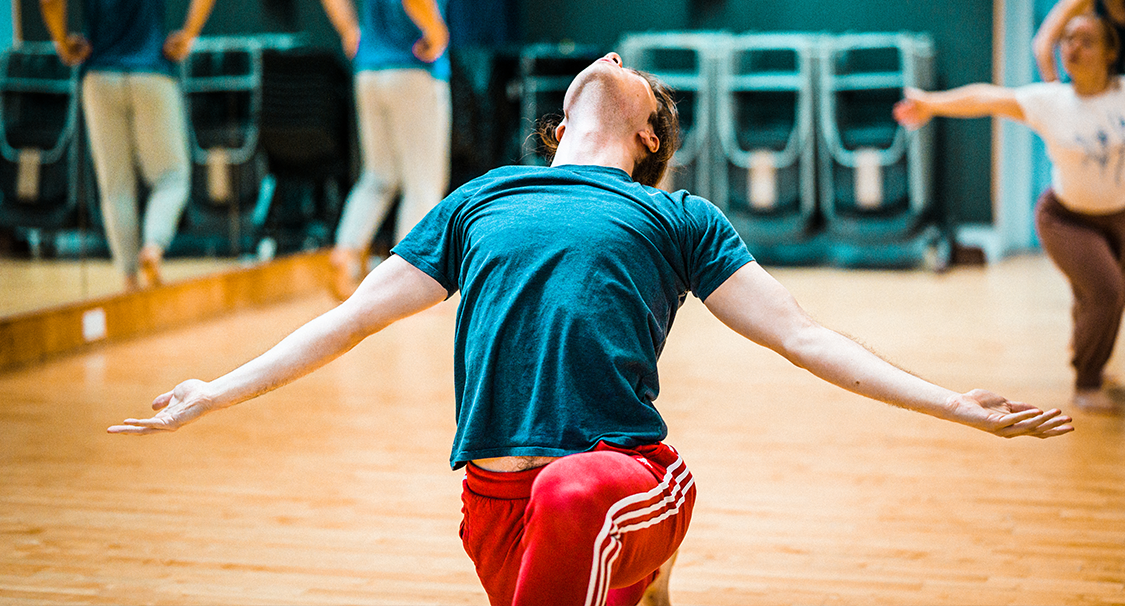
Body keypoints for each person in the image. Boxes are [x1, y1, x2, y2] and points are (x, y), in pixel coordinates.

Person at [109, 52, 1074, 606]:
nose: (612, 59)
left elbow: (803, 336)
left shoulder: (679, 218)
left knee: (579, 495)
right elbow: (350, 320)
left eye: (636, 72)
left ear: (652, 132)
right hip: (492, 504)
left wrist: (957, 403)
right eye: (606, 60)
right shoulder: (479, 199)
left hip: (626, 475)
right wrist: (213, 391)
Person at [895, 14, 1125, 414]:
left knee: (1111, 296)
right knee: (1106, 290)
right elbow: (986, 98)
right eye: (1066, 39)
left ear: (1112, 52)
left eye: (1086, 40)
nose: (1072, 48)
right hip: (1067, 219)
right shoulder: (1052, 101)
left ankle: (1089, 346)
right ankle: (1087, 381)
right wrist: (930, 104)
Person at [39, 0, 216, 289]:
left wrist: (61, 41)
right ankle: (153, 247)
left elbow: (49, 2)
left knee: (115, 187)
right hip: (152, 71)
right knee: (172, 179)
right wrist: (188, 34)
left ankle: (129, 279)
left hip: (99, 76)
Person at [318, 0, 452, 300]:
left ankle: (347, 250)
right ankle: (409, 283)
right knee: (423, 184)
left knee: (379, 176)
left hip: (370, 70)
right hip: (414, 68)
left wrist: (348, 29)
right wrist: (436, 30)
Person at [1033, 0, 1125, 81]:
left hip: (1112, 92)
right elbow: (1043, 43)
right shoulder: (1083, 3)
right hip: (1079, 91)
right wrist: (1055, 89)